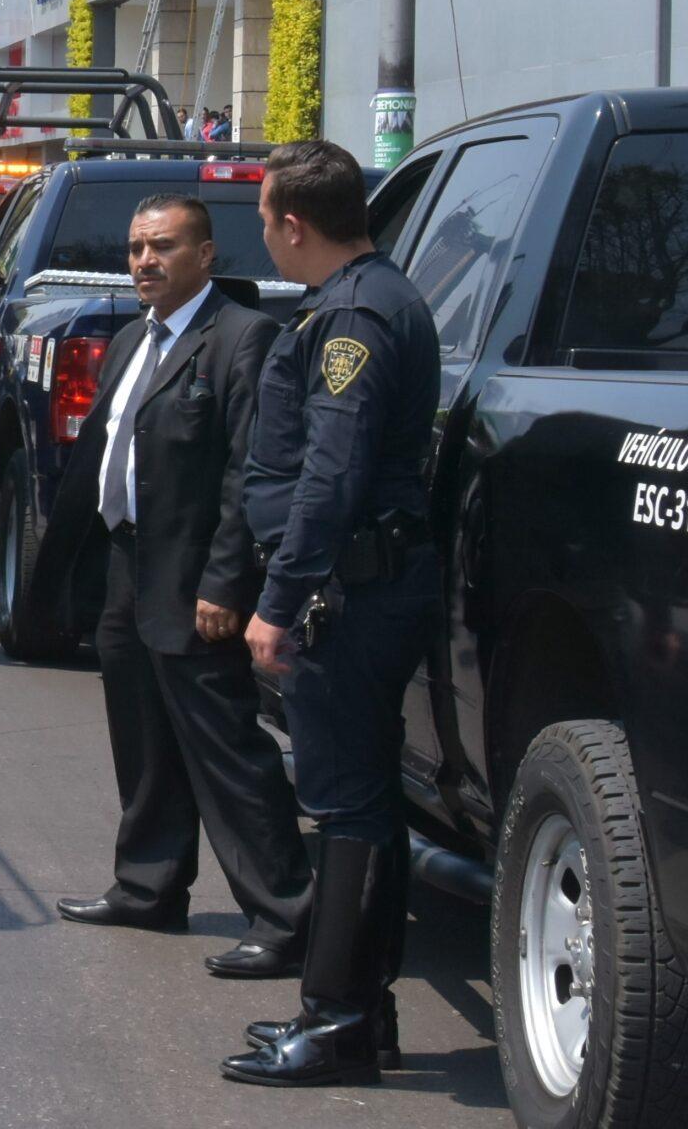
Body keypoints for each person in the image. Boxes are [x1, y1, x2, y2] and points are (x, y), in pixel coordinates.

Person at [24, 195, 314, 980]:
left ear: (207, 255)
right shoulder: (127, 339)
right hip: (129, 566)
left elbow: (247, 472)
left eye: (163, 246)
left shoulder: (244, 340)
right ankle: (150, 884)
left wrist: (227, 580)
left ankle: (285, 917)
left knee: (226, 751)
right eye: (136, 248)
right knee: (143, 739)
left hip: (197, 580)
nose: (145, 261)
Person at [219, 141, 439, 1090]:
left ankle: (338, 1021)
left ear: (292, 223)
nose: (263, 236)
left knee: (346, 806)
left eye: (266, 219)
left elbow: (332, 473)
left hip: (349, 593)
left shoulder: (353, 315)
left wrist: (279, 598)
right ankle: (361, 1014)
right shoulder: (367, 297)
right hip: (358, 586)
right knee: (364, 803)